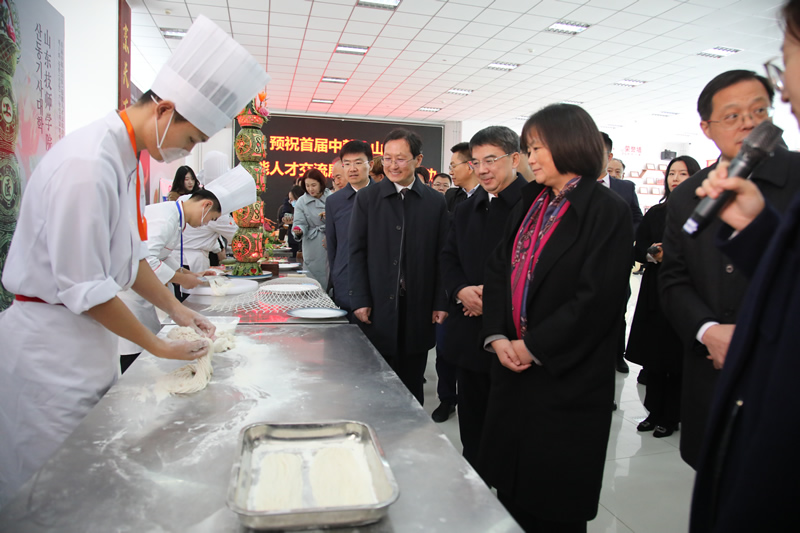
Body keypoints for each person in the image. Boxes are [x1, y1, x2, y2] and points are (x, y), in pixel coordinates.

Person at [0, 15, 269, 507]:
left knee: (89, 478)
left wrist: (176, 310)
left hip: (86, 342)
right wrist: (157, 347)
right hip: (49, 348)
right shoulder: (89, 165)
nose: (186, 152)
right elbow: (87, 287)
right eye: (189, 139)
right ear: (163, 109)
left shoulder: (123, 161)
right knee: (50, 490)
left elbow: (129, 262)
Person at [480, 104, 632, 532]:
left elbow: (598, 300)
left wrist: (534, 345)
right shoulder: (531, 201)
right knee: (510, 493)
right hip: (512, 369)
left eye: (537, 147)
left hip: (565, 379)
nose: (530, 158)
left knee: (552, 505)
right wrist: (495, 335)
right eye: (528, 148)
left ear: (569, 144)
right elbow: (497, 268)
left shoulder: (605, 210)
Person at [659, 68, 800, 469]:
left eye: (760, 110)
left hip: (782, 374)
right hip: (712, 367)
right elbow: (673, 278)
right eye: (733, 115)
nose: (750, 123)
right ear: (706, 127)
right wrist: (708, 331)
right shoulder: (689, 194)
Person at [440, 125, 526, 468]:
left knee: (509, 425)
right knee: (472, 418)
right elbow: (448, 257)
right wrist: (461, 290)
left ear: (515, 158)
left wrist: (492, 299)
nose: (483, 169)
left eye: (491, 159)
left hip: (512, 336)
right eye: (476, 162)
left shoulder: (534, 203)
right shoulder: (466, 206)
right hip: (468, 333)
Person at [118, 167, 256, 372]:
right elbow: (144, 258)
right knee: (133, 351)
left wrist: (188, 274)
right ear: (206, 205)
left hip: (143, 296)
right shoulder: (166, 218)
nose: (207, 224)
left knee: (145, 344)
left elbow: (163, 255)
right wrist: (179, 279)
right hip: (129, 295)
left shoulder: (174, 217)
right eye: (211, 218)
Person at [349, 128, 448, 404]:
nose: (392, 165)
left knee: (413, 382)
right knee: (377, 382)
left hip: (418, 305)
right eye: (388, 158)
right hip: (378, 304)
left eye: (401, 159)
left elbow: (443, 255)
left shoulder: (435, 201)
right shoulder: (367, 199)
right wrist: (360, 298)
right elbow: (355, 252)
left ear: (418, 160)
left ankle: (412, 437)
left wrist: (441, 301)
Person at [625, 156, 701, 438]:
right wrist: (651, 253)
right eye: (672, 173)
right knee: (654, 356)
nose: (676, 178)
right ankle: (653, 412)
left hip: (685, 292)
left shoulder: (702, 213)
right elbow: (638, 248)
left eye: (683, 173)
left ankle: (671, 416)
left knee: (675, 357)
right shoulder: (656, 212)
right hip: (655, 290)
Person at [599, 132, 643, 375]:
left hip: (618, 260)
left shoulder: (625, 188)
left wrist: (625, 234)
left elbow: (637, 218)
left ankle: (617, 355)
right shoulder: (575, 186)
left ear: (609, 156)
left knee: (618, 309)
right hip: (586, 264)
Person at [170, 151, 238, 275]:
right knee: (191, 292)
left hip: (175, 260)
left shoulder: (186, 199)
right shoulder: (214, 208)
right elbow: (237, 237)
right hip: (192, 262)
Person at [326, 140, 372, 316]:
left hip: (378, 284)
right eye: (347, 164)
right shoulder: (334, 202)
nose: (352, 169)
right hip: (345, 283)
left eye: (358, 163)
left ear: (371, 164)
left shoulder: (385, 197)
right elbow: (332, 246)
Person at [293, 169, 331, 284]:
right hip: (312, 242)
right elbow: (299, 223)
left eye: (313, 185)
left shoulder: (332, 197)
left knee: (330, 275)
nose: (310, 189)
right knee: (312, 279)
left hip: (330, 241)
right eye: (307, 185)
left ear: (321, 183)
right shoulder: (301, 202)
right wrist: (298, 230)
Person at [446, 142, 480, 213]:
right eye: (450, 168)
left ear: (470, 167)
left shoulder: (489, 196)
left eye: (454, 166)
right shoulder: (451, 196)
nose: (450, 172)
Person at [280, 185, 304, 258]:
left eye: (292, 200)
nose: (291, 202)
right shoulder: (290, 208)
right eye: (289, 200)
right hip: (292, 240)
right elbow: (283, 214)